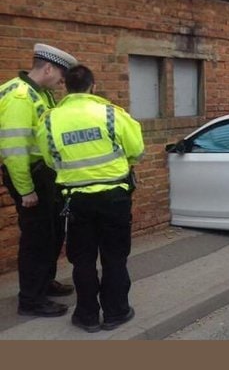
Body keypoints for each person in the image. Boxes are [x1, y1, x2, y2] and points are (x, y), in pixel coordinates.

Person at [36, 65, 144, 332]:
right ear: (92, 86)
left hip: (76, 201)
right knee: (114, 257)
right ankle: (115, 313)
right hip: (114, 197)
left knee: (82, 259)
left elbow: (50, 160)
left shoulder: (49, 120)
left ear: (66, 88)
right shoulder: (112, 113)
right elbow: (137, 150)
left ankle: (86, 316)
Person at [0, 43, 77, 317]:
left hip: (45, 175)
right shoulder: (21, 97)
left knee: (53, 231)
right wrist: (26, 190)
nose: (61, 83)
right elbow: (14, 149)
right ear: (48, 68)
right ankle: (31, 300)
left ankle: (45, 282)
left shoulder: (40, 93)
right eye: (60, 76)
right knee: (36, 239)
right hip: (30, 176)